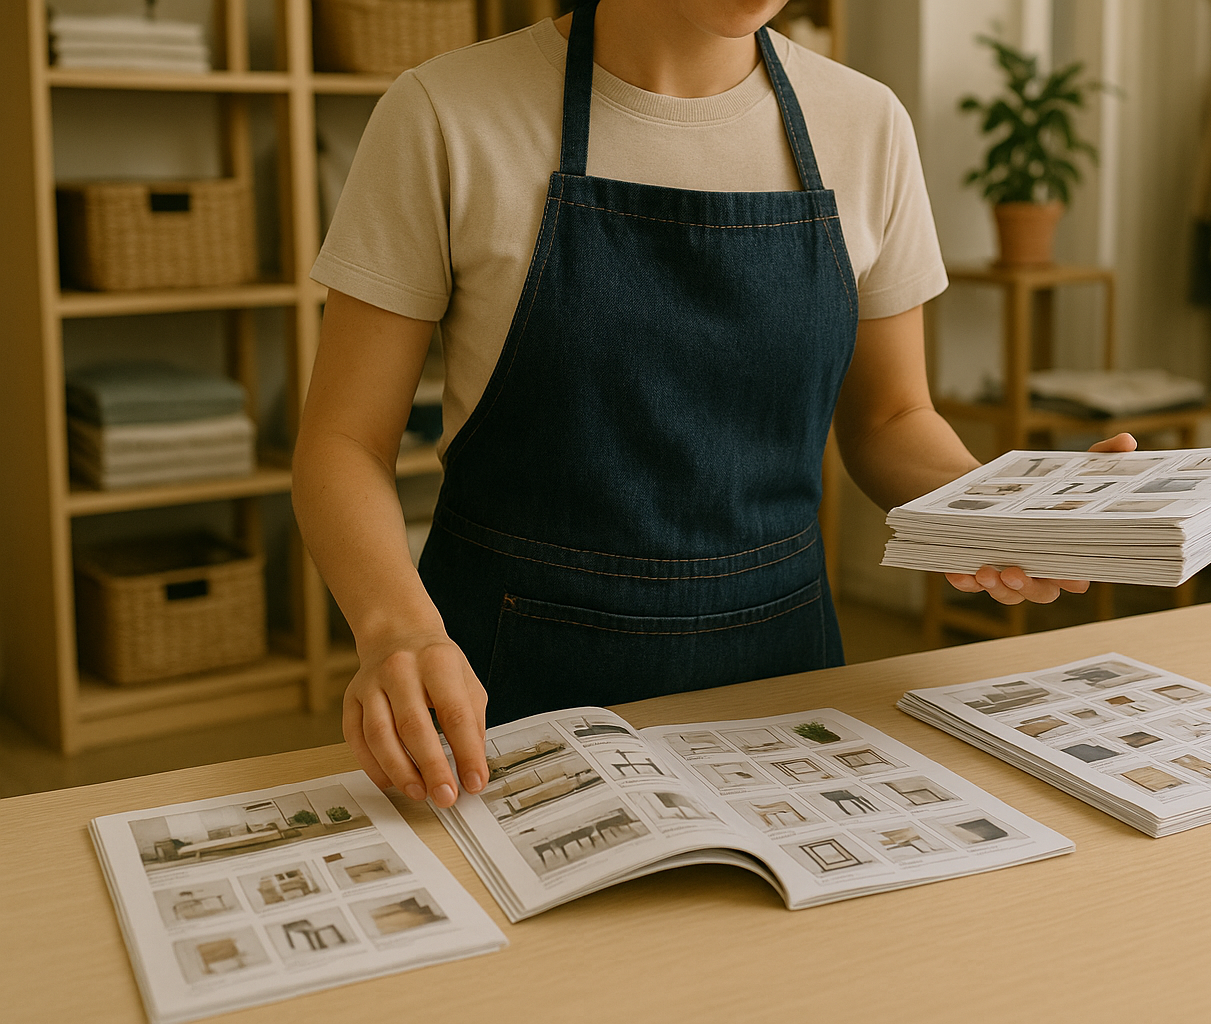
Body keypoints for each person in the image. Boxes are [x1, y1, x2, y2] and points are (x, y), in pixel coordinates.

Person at [292, 0, 1135, 810]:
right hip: (506, 682)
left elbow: (890, 420)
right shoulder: (445, 113)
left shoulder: (867, 122)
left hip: (784, 676)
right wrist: (396, 630)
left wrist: (998, 509)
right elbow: (343, 441)